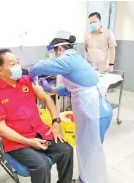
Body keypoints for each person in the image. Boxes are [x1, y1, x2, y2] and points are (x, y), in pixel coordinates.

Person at [29, 31, 113, 183]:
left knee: (91, 151)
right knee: (88, 149)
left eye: (55, 52)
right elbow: (73, 87)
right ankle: (85, 179)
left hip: (94, 112)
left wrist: (31, 72)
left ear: (59, 49)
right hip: (97, 109)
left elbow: (42, 66)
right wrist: (52, 89)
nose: (55, 56)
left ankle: (89, 180)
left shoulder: (68, 59)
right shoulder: (76, 58)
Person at [0, 49, 74, 183]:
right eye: (12, 64)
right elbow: (1, 129)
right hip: (17, 141)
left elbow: (47, 99)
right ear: (0, 70)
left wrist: (56, 123)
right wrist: (29, 142)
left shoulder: (27, 81)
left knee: (66, 150)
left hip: (40, 131)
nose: (18, 67)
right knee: (42, 165)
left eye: (18, 62)